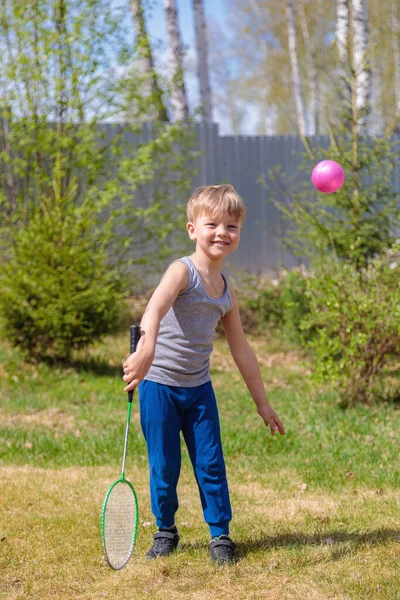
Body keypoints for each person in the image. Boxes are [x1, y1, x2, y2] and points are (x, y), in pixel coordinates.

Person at [122, 184, 285, 564]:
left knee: (211, 462)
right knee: (164, 463)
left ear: (239, 234)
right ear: (192, 229)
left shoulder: (226, 290)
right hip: (159, 386)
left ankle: (220, 535)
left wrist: (262, 403)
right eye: (212, 223)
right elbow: (154, 309)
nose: (222, 232)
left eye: (232, 226)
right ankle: (165, 529)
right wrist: (145, 348)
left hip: (198, 390)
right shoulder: (182, 271)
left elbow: (241, 349)